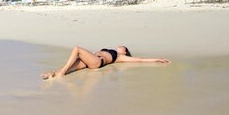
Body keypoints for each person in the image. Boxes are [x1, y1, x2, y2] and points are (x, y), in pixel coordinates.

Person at [41, 45, 170, 79]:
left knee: (77, 49)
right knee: (72, 66)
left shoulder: (120, 57)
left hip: (97, 62)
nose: (121, 46)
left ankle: (61, 72)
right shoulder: (113, 51)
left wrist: (157, 59)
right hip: (91, 60)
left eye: (123, 47)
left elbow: (140, 60)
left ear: (125, 52)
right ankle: (52, 74)